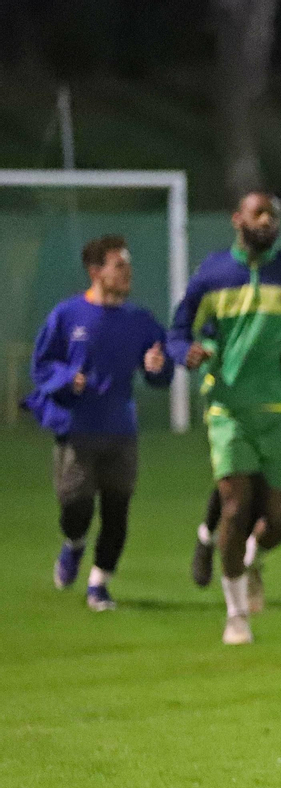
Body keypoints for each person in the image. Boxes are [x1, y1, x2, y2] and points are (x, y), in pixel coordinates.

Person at [169, 190, 281, 645]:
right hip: (229, 409)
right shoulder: (213, 274)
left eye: (274, 215)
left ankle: (252, 557)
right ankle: (236, 616)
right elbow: (180, 329)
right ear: (237, 218)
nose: (267, 221)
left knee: (278, 522)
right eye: (259, 213)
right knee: (236, 508)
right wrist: (188, 352)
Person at [26, 235, 172, 610]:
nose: (128, 273)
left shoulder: (140, 321)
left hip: (121, 431)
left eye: (128, 265)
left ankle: (99, 584)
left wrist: (158, 366)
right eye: (119, 265)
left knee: (116, 512)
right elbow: (41, 365)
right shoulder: (67, 315)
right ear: (96, 272)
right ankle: (74, 544)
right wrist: (64, 379)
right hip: (76, 429)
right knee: (75, 508)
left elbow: (161, 366)